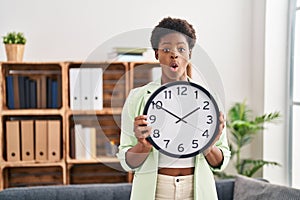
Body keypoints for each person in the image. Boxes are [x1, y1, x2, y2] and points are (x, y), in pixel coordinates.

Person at [117, 17, 231, 200]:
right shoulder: (137, 98)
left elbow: (221, 162)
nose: (174, 54)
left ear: (190, 54)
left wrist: (208, 146)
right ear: (156, 54)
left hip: (197, 190)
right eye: (166, 49)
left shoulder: (209, 99)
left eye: (181, 49)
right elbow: (127, 162)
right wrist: (142, 146)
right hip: (155, 191)